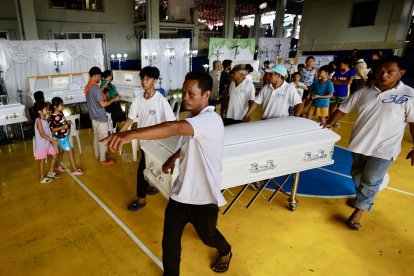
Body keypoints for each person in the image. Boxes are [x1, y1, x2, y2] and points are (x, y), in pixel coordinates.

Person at [100, 72, 232, 275]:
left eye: (191, 93)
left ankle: (226, 250)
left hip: (203, 197)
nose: (185, 97)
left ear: (206, 95)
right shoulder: (194, 118)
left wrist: (130, 134)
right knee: (169, 241)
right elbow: (190, 141)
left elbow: (175, 128)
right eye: (184, 91)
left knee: (208, 236)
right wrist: (174, 157)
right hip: (181, 194)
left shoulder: (210, 120)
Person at [324, 56, 414, 230]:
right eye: (380, 70)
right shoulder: (364, 92)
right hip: (360, 144)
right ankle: (361, 199)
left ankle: (358, 213)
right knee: (357, 175)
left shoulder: (409, 95)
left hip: (385, 148)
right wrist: (327, 124)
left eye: (390, 72)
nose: (384, 75)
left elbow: (413, 124)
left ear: (401, 73)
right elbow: (343, 109)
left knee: (371, 180)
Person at [119, 66, 176, 211]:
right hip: (144, 143)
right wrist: (118, 135)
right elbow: (130, 119)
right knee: (151, 168)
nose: (144, 82)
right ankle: (154, 185)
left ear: (155, 81)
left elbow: (172, 124)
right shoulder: (138, 99)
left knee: (142, 171)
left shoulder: (160, 101)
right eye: (142, 78)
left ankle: (141, 200)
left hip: (157, 144)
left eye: (148, 79)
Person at [85, 66, 120, 165]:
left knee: (96, 136)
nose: (101, 78)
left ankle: (97, 155)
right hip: (100, 117)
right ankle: (103, 159)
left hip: (93, 117)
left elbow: (94, 97)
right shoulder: (95, 88)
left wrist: (103, 88)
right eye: (100, 76)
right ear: (95, 75)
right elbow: (102, 104)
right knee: (104, 138)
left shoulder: (88, 86)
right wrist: (114, 99)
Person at [49, 97, 84, 175]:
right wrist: (62, 127)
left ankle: (57, 166)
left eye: (62, 105)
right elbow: (52, 129)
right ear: (55, 106)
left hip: (64, 136)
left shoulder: (61, 113)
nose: (62, 106)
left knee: (61, 152)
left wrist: (67, 122)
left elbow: (62, 122)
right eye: (61, 105)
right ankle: (75, 170)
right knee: (71, 151)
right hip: (62, 138)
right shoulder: (53, 117)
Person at [33, 101, 60, 183]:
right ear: (39, 111)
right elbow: (42, 134)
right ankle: (42, 178)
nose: (48, 111)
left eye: (48, 109)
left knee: (55, 156)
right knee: (42, 161)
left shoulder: (43, 119)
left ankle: (51, 172)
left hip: (47, 143)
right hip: (42, 145)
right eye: (46, 109)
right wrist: (53, 141)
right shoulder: (38, 121)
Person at [329, 58, 356, 124]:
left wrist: (338, 82)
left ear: (346, 64)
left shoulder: (351, 71)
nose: (339, 65)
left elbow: (349, 82)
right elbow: (333, 81)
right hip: (334, 92)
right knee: (332, 106)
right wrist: (344, 82)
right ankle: (330, 118)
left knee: (340, 108)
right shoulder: (337, 71)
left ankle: (336, 120)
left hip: (344, 93)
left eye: (341, 64)